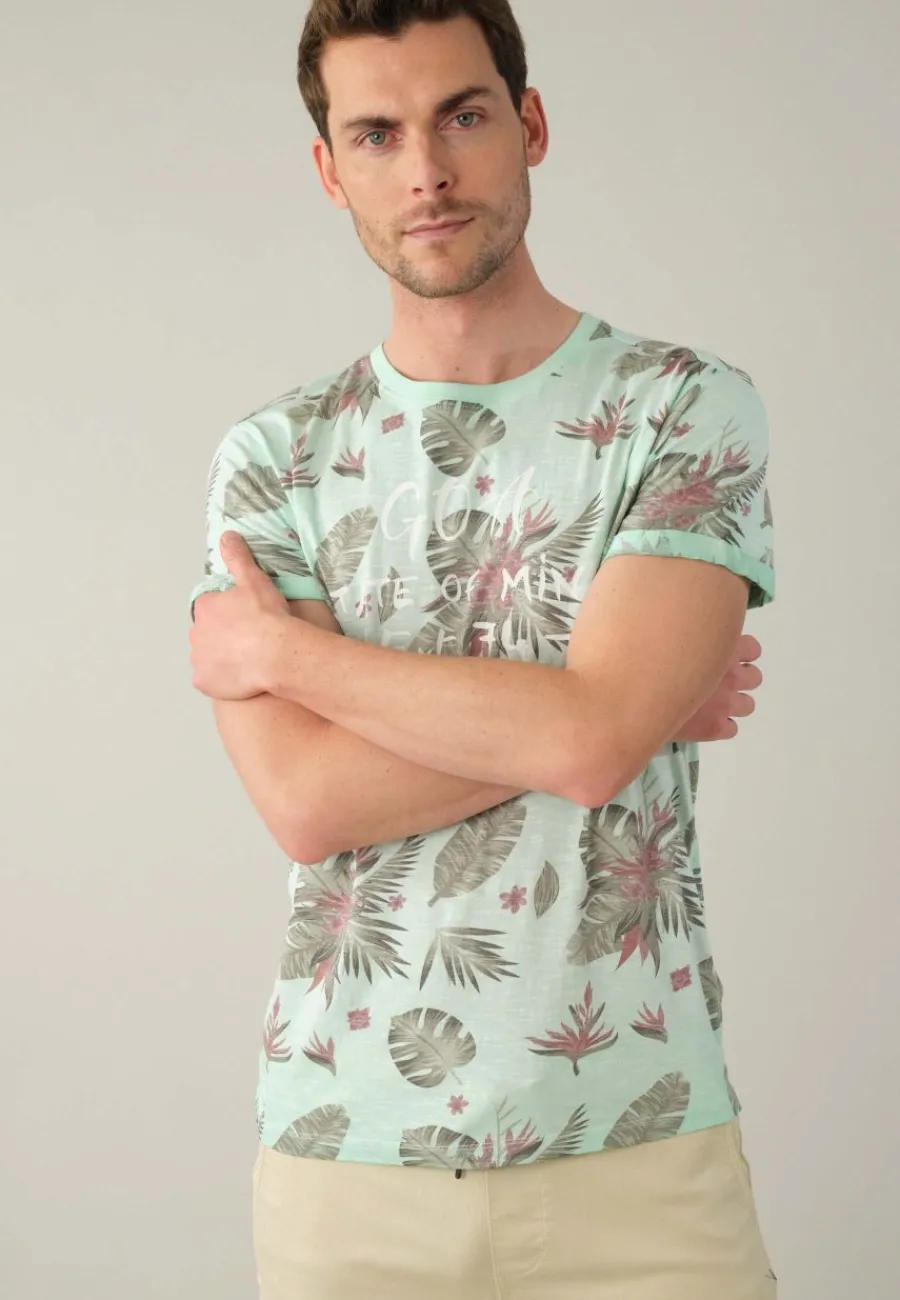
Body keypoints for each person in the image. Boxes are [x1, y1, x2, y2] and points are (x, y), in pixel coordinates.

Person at [188, 2, 779, 1296]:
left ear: (530, 123)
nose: (427, 172)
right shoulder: (276, 460)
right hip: (347, 1163)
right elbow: (307, 802)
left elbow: (592, 743)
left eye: (461, 115)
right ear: (329, 169)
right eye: (376, 133)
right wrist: (607, 706)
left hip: (641, 1147)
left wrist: (293, 660)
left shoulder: (681, 407)